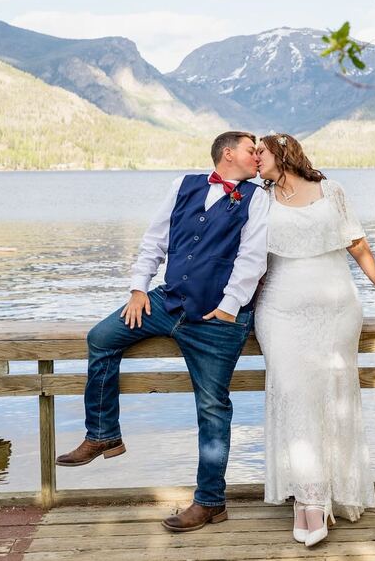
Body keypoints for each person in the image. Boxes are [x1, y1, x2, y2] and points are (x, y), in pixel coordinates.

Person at [56, 131, 269, 533]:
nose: (257, 156)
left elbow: (252, 258)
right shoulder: (183, 185)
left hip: (216, 319)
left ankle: (210, 502)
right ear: (228, 153)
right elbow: (154, 240)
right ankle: (103, 434)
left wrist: (226, 309)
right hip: (164, 302)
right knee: (101, 338)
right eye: (250, 149)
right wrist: (138, 289)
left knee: (212, 406)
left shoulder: (258, 199)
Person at [254, 133, 375, 547]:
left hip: (336, 311)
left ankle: (323, 495)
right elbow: (248, 260)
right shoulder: (259, 200)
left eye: (259, 153)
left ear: (281, 153)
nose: (254, 160)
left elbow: (357, 245)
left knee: (332, 397)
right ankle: (308, 498)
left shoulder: (331, 191)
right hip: (280, 312)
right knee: (295, 394)